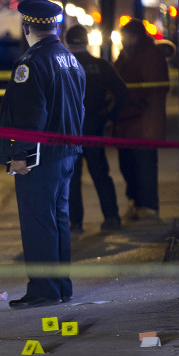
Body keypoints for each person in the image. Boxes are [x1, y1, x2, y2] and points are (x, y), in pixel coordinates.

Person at [0, 0, 85, 309]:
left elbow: (30, 114)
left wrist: (20, 154)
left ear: (27, 26)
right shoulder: (69, 58)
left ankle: (44, 290)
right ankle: (60, 287)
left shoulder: (30, 63)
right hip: (67, 153)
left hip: (41, 157)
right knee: (58, 221)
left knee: (38, 224)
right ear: (55, 26)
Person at [64, 25, 129, 233]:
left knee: (72, 178)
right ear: (87, 41)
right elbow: (123, 93)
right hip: (94, 126)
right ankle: (111, 218)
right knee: (101, 174)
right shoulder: (101, 66)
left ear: (67, 43)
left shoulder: (61, 67)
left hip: (68, 130)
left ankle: (75, 223)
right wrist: (110, 117)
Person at [113, 18, 169, 221]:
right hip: (129, 120)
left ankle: (148, 206)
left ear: (136, 37)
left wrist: (135, 104)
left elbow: (155, 88)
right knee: (128, 164)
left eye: (126, 36)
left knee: (144, 164)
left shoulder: (150, 55)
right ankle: (135, 203)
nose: (124, 40)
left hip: (144, 120)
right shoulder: (128, 54)